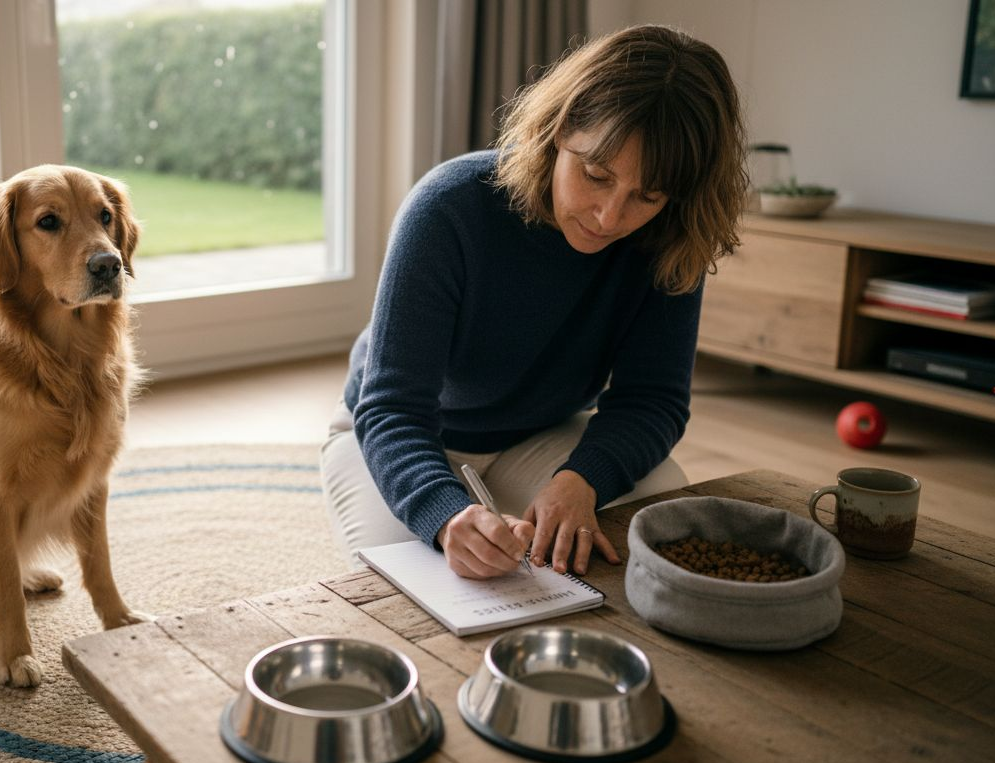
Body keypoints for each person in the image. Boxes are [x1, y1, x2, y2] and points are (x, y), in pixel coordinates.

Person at [320, 24, 747, 580]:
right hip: (403, 433)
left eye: (647, 196)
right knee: (408, 582)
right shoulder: (449, 208)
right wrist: (446, 515)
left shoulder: (671, 236)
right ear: (555, 130)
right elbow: (392, 407)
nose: (609, 217)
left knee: (658, 520)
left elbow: (653, 400)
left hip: (542, 431)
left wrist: (582, 479)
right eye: (595, 174)